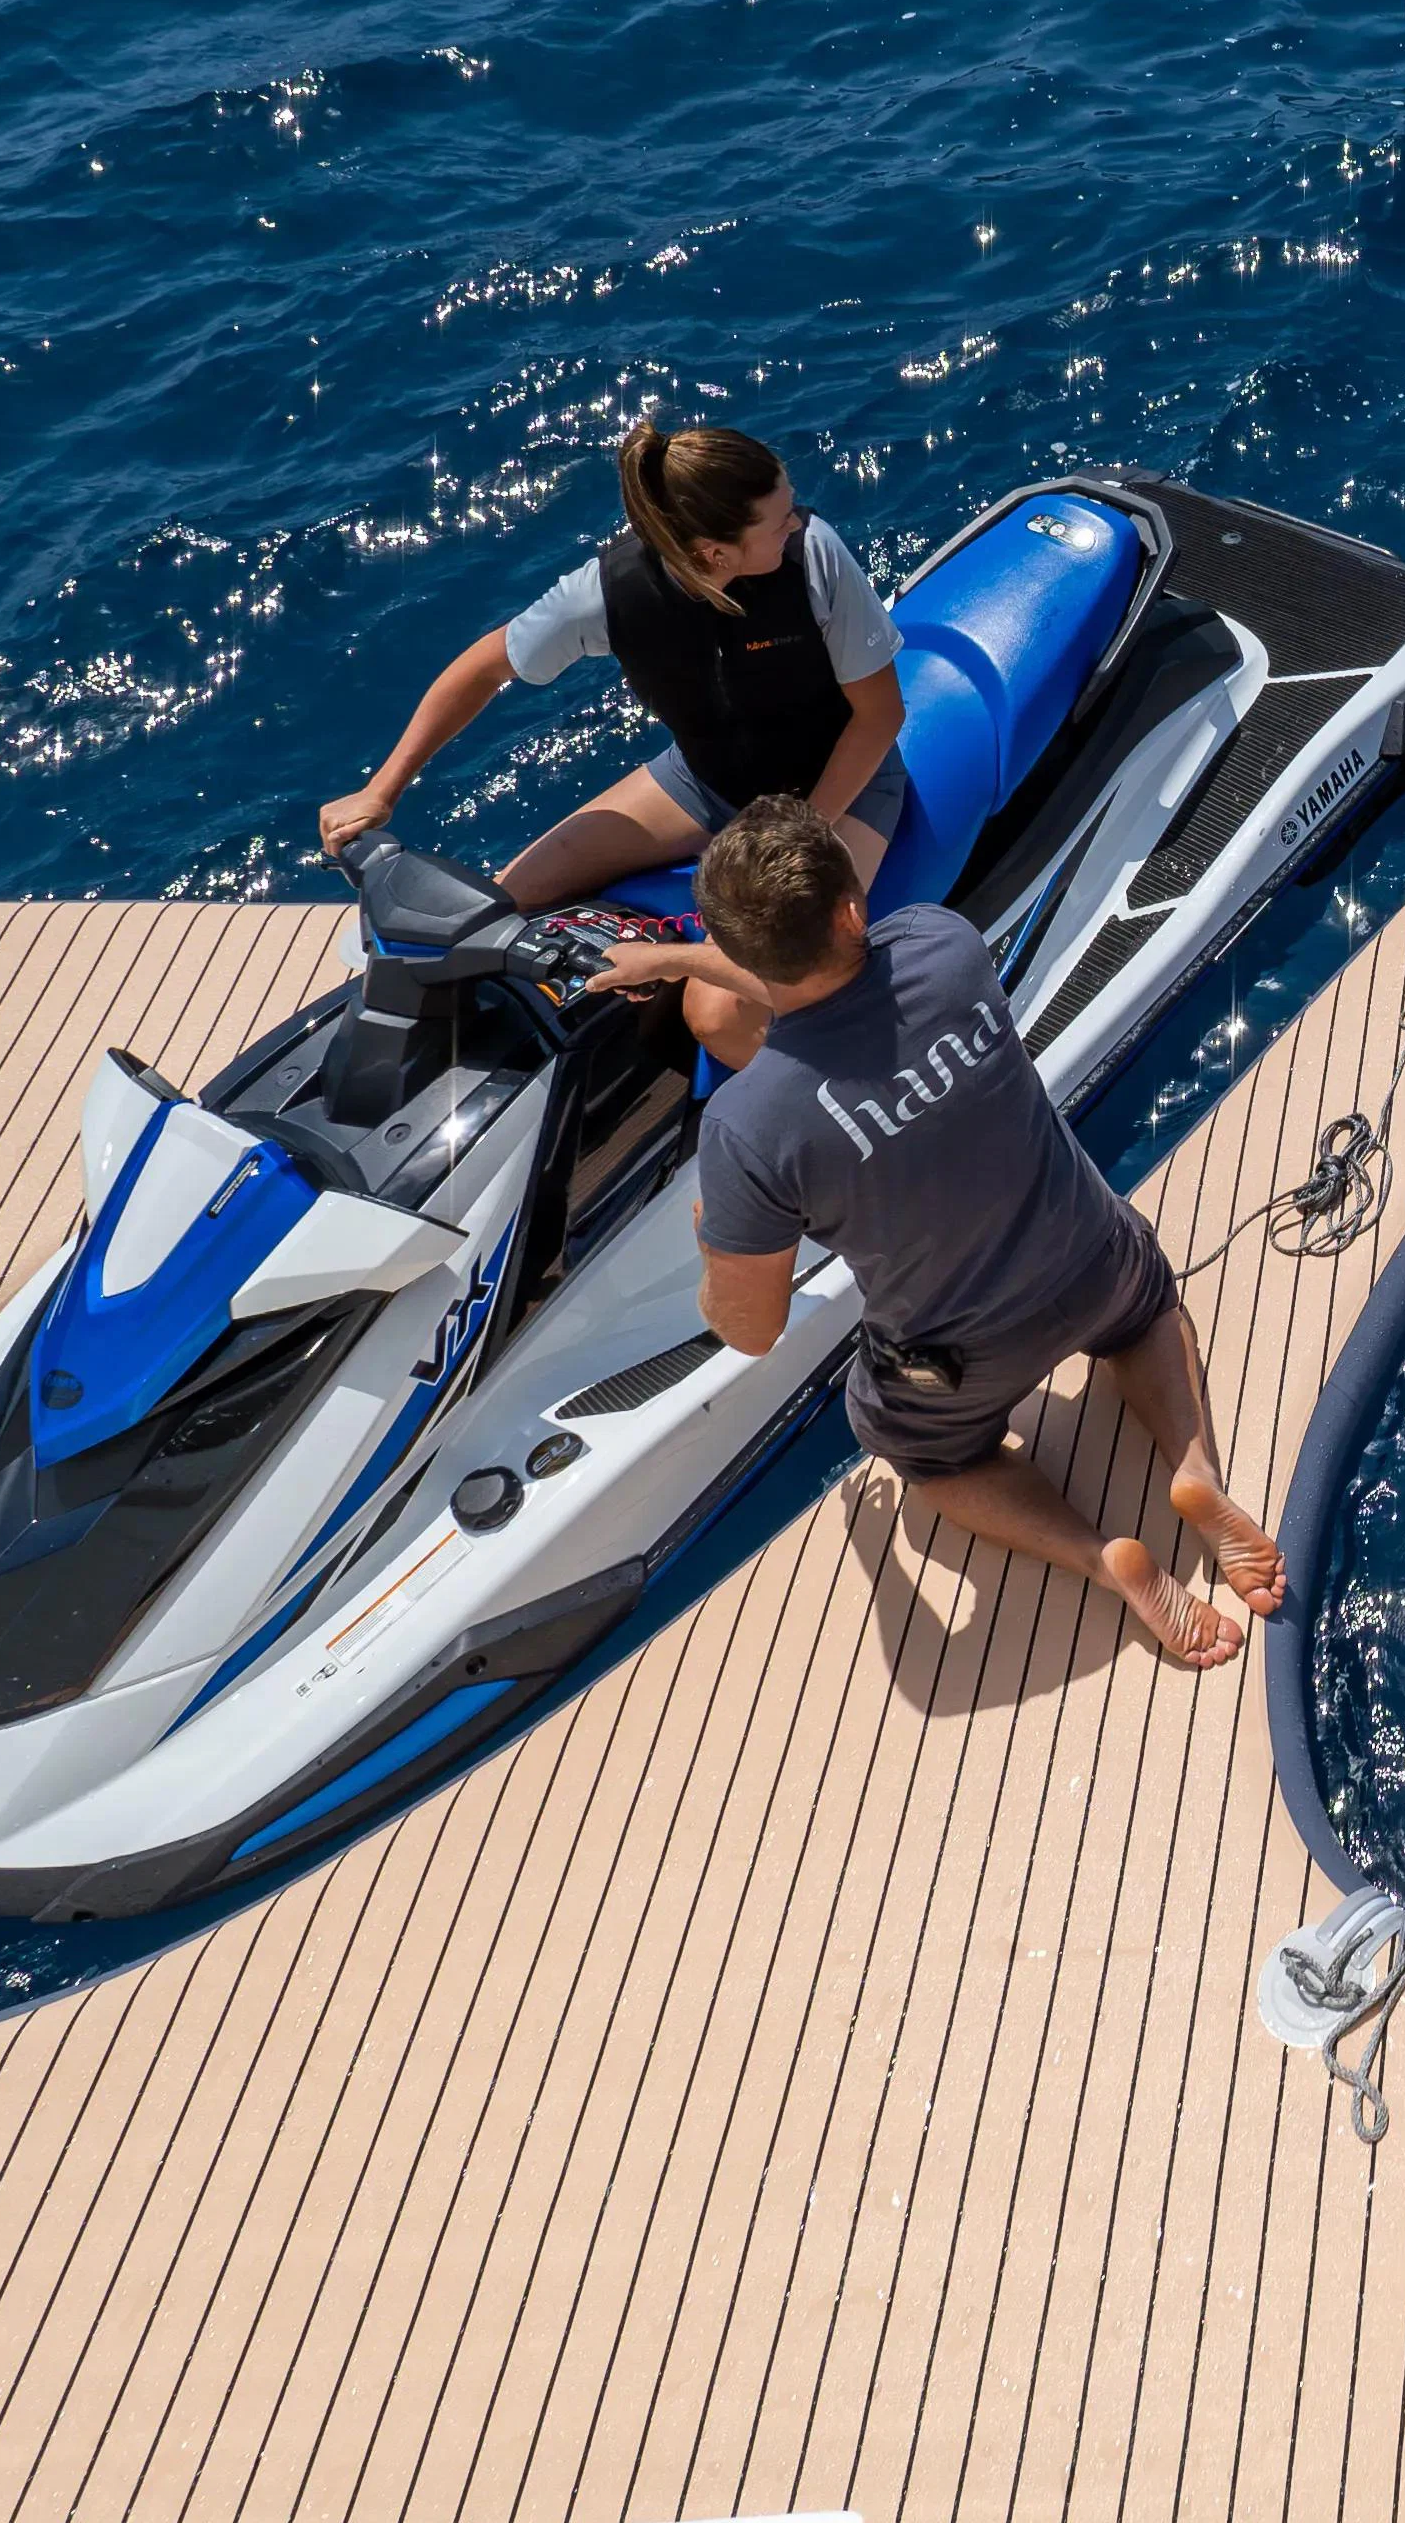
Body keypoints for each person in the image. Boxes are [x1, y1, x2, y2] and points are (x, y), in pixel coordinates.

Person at [675, 792, 1281, 1670]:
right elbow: (834, 985)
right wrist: (677, 958)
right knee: (1151, 1312)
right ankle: (1197, 1476)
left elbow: (751, 1330)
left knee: (929, 1461)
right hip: (1092, 1262)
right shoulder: (942, 944)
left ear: (733, 952)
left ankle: (1096, 1558)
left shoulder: (746, 1129)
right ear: (851, 911)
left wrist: (712, 1242)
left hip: (958, 1364)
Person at [318, 419, 906, 1058]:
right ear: (714, 552)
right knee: (493, 908)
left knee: (716, 1013)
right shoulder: (604, 595)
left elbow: (878, 717)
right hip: (704, 784)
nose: (798, 523)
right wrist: (383, 789)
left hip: (835, 791)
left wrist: (793, 836)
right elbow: (483, 668)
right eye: (780, 519)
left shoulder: (816, 556)